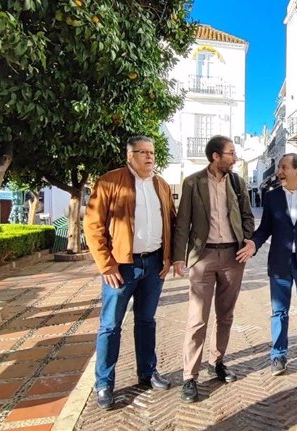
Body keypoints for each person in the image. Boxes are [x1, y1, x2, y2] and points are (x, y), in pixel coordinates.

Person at [84, 136, 176, 410]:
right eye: (143, 152)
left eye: (152, 152)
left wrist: (168, 258)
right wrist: (106, 264)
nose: (150, 157)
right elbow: (93, 225)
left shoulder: (160, 184)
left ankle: (147, 372)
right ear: (129, 156)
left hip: (154, 265)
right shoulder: (110, 182)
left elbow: (170, 221)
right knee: (111, 325)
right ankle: (104, 383)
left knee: (146, 321)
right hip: (121, 267)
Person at [173, 135, 254, 403]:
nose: (235, 157)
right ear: (215, 157)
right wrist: (178, 257)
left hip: (233, 256)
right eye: (230, 153)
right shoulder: (193, 182)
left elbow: (247, 216)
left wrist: (249, 241)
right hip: (203, 256)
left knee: (226, 316)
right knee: (197, 319)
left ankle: (217, 362)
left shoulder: (237, 182)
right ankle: (189, 376)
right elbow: (182, 222)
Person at [236, 153, 297, 377]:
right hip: (279, 262)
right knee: (279, 311)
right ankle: (278, 355)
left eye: (283, 167)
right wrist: (254, 245)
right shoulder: (272, 197)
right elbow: (265, 228)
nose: (279, 171)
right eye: (279, 167)